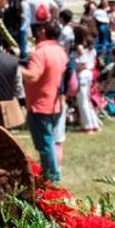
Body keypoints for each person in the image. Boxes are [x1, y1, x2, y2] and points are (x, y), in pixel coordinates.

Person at [21, 21, 67, 183]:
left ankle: (52, 177)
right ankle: (52, 174)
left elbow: (33, 76)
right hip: (55, 103)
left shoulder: (40, 53)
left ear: (42, 32)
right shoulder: (60, 51)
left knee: (45, 145)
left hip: (40, 104)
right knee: (52, 142)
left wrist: (17, 67)